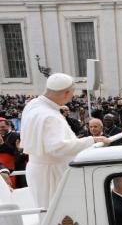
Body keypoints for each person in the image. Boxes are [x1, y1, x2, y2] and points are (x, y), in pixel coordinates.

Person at [20, 73, 109, 208]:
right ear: (66, 93)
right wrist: (93, 140)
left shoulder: (33, 104)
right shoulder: (50, 116)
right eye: (72, 93)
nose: (72, 97)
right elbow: (57, 147)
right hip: (52, 174)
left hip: (39, 168)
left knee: (46, 210)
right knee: (58, 213)